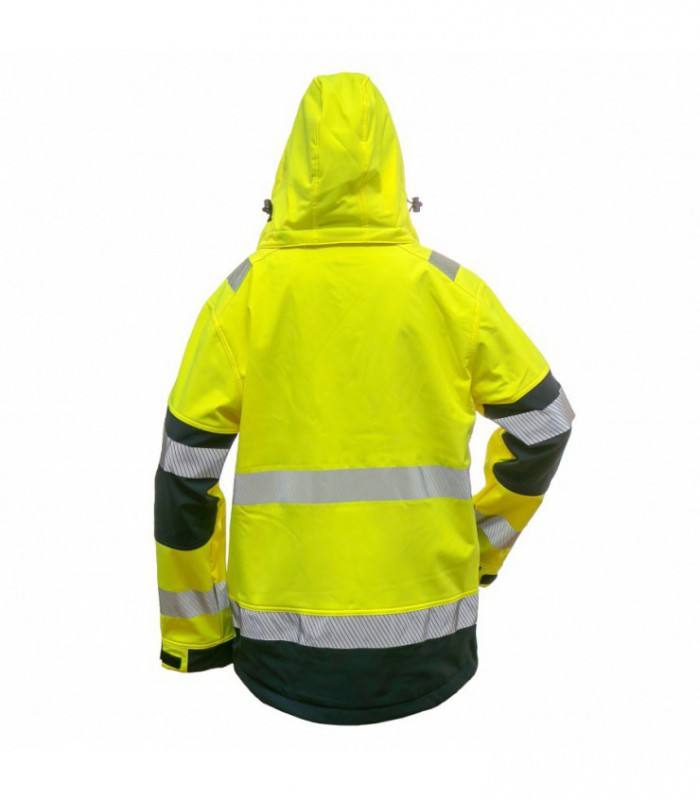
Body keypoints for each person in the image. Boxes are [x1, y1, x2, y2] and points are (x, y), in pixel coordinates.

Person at [154, 72, 574, 725]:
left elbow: (184, 476)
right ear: (393, 176)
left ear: (287, 176)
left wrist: (200, 638)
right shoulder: (453, 295)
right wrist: (481, 546)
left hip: (281, 656)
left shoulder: (241, 300)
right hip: (432, 649)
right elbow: (546, 425)